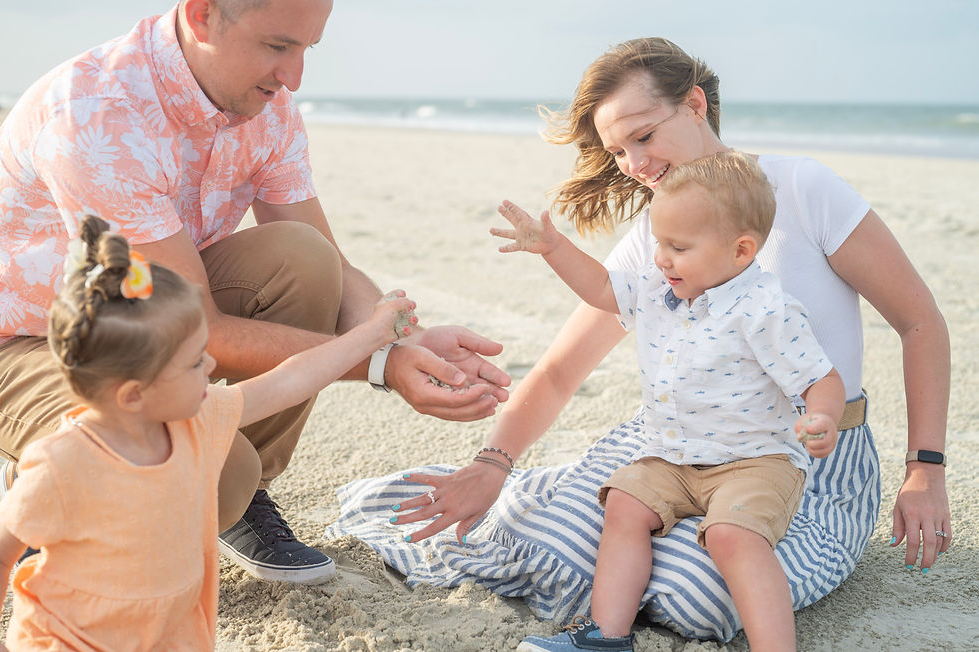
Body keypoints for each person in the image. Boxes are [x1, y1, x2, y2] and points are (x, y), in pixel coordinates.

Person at [324, 37, 951, 642]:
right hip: (674, 444)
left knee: (698, 596)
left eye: (644, 136)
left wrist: (925, 470)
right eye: (619, 151)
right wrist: (492, 464)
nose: (636, 166)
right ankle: (551, 511)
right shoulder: (658, 244)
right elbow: (560, 373)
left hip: (803, 456)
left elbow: (920, 322)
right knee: (544, 547)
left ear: (697, 104)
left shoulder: (802, 190)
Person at [0, 0, 510, 584]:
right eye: (276, 46)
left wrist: (409, 337)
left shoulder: (266, 102)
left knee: (303, 257)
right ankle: (46, 474)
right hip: (37, 342)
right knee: (206, 473)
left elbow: (331, 268)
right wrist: (382, 364)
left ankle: (240, 496)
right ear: (201, 17)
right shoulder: (95, 115)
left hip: (162, 321)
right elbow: (204, 330)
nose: (292, 78)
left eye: (305, 50)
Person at [0, 215, 416, 650]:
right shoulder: (61, 464)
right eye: (195, 361)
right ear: (134, 394)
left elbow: (290, 379)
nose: (213, 367)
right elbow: (3, 552)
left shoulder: (197, 421)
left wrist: (371, 336)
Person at [494, 151, 843, 651]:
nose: (661, 258)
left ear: (742, 251)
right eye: (659, 242)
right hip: (672, 456)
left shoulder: (767, 309)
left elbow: (820, 377)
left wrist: (823, 415)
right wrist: (552, 247)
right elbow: (600, 288)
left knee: (732, 537)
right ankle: (607, 636)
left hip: (754, 462)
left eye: (678, 247)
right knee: (624, 502)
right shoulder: (659, 288)